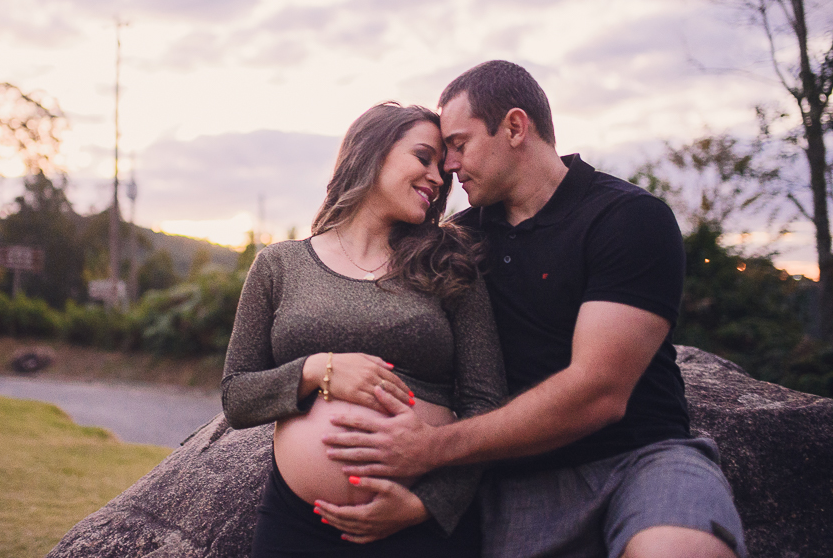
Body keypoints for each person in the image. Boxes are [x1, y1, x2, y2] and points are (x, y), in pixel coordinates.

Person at [322, 61, 748, 558]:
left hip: (641, 459)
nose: (448, 167)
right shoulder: (459, 241)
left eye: (459, 145)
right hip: (516, 477)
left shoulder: (627, 218)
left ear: (515, 127)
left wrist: (431, 449)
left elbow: (600, 391)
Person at [221, 102, 506, 557]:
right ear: (372, 152)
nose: (437, 177)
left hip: (418, 529)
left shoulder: (449, 265)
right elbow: (236, 397)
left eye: (442, 171)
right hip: (298, 526)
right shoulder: (279, 266)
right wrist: (317, 369)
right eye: (423, 158)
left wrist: (425, 505)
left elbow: (486, 406)